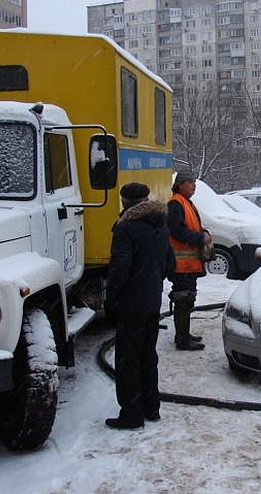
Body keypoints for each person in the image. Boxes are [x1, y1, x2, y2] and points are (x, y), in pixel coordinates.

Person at [105, 182, 175, 430]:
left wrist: (110, 298)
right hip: (152, 301)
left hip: (130, 304)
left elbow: (119, 269)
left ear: (125, 202)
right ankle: (151, 408)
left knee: (128, 360)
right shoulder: (160, 225)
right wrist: (152, 282)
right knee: (148, 355)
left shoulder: (126, 228)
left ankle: (131, 415)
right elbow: (170, 264)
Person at [167, 170, 212, 351]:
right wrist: (200, 239)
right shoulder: (176, 204)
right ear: (180, 184)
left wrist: (203, 232)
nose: (194, 186)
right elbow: (177, 231)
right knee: (183, 300)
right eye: (190, 182)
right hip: (180, 266)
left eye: (194, 182)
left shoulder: (186, 203)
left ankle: (183, 334)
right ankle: (183, 340)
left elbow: (192, 227)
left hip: (188, 265)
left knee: (187, 300)